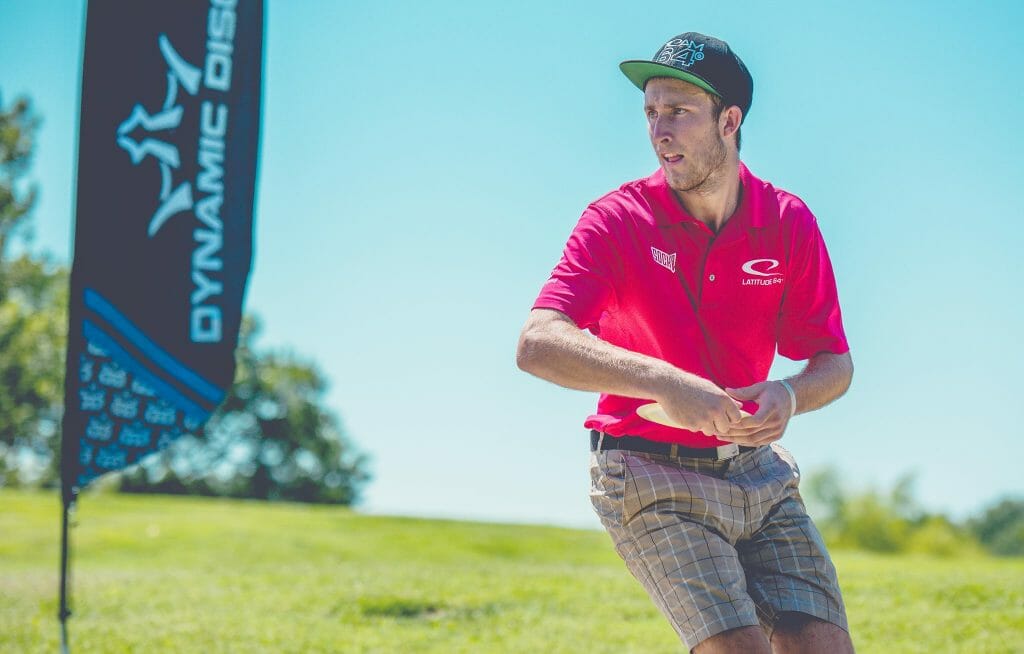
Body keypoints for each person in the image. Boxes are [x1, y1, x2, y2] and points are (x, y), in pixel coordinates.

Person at [516, 32, 856, 653]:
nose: (659, 130)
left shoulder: (788, 223)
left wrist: (790, 392)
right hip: (646, 474)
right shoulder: (616, 221)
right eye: (650, 112)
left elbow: (834, 361)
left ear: (730, 120)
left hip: (759, 473)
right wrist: (666, 382)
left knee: (824, 646)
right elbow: (538, 342)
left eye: (678, 111)